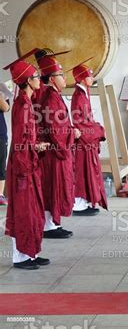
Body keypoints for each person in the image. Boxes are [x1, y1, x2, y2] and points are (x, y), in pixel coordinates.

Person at [3, 50, 50, 269]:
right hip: (23, 167)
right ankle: (20, 256)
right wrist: (30, 154)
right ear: (27, 82)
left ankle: (30, 253)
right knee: (23, 210)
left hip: (28, 162)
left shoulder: (27, 102)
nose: (39, 80)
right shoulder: (22, 105)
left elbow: (25, 140)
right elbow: (22, 142)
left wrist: (36, 146)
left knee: (32, 210)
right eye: (35, 77)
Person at [37, 53, 77, 238]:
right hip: (54, 152)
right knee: (52, 186)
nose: (65, 78)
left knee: (54, 187)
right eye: (61, 75)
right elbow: (56, 129)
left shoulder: (53, 95)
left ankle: (52, 223)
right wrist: (72, 133)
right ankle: (48, 226)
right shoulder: (51, 98)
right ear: (52, 79)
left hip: (55, 150)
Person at [70, 58, 107, 215]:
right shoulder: (79, 96)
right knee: (81, 172)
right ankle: (78, 204)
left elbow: (86, 121)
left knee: (87, 172)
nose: (92, 79)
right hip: (83, 141)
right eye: (89, 76)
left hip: (86, 139)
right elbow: (81, 123)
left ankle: (85, 201)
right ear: (82, 78)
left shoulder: (83, 94)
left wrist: (95, 127)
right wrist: (99, 130)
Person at [0, 87, 10, 206]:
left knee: (1, 163)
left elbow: (6, 107)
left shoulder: (2, 92)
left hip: (1, 134)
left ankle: (0, 194)